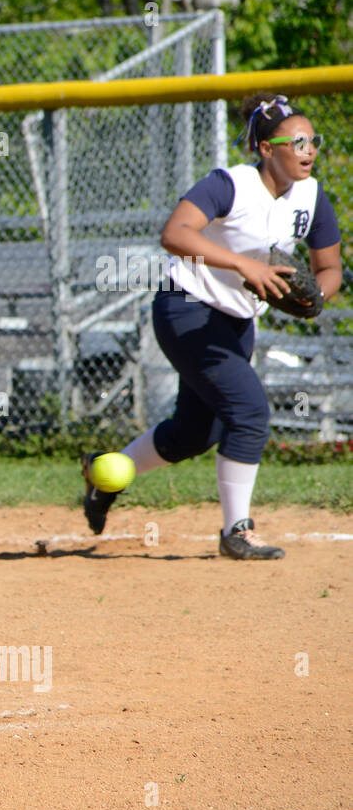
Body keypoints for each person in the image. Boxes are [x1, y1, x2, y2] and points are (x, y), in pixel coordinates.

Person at [83, 93, 342, 559]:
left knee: (192, 435)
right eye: (296, 141)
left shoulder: (311, 195)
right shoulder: (230, 184)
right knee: (249, 413)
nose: (308, 150)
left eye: (313, 141)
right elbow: (175, 233)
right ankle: (235, 531)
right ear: (267, 148)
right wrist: (245, 266)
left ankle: (104, 473)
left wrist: (318, 295)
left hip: (238, 321)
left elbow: (330, 267)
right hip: (187, 310)